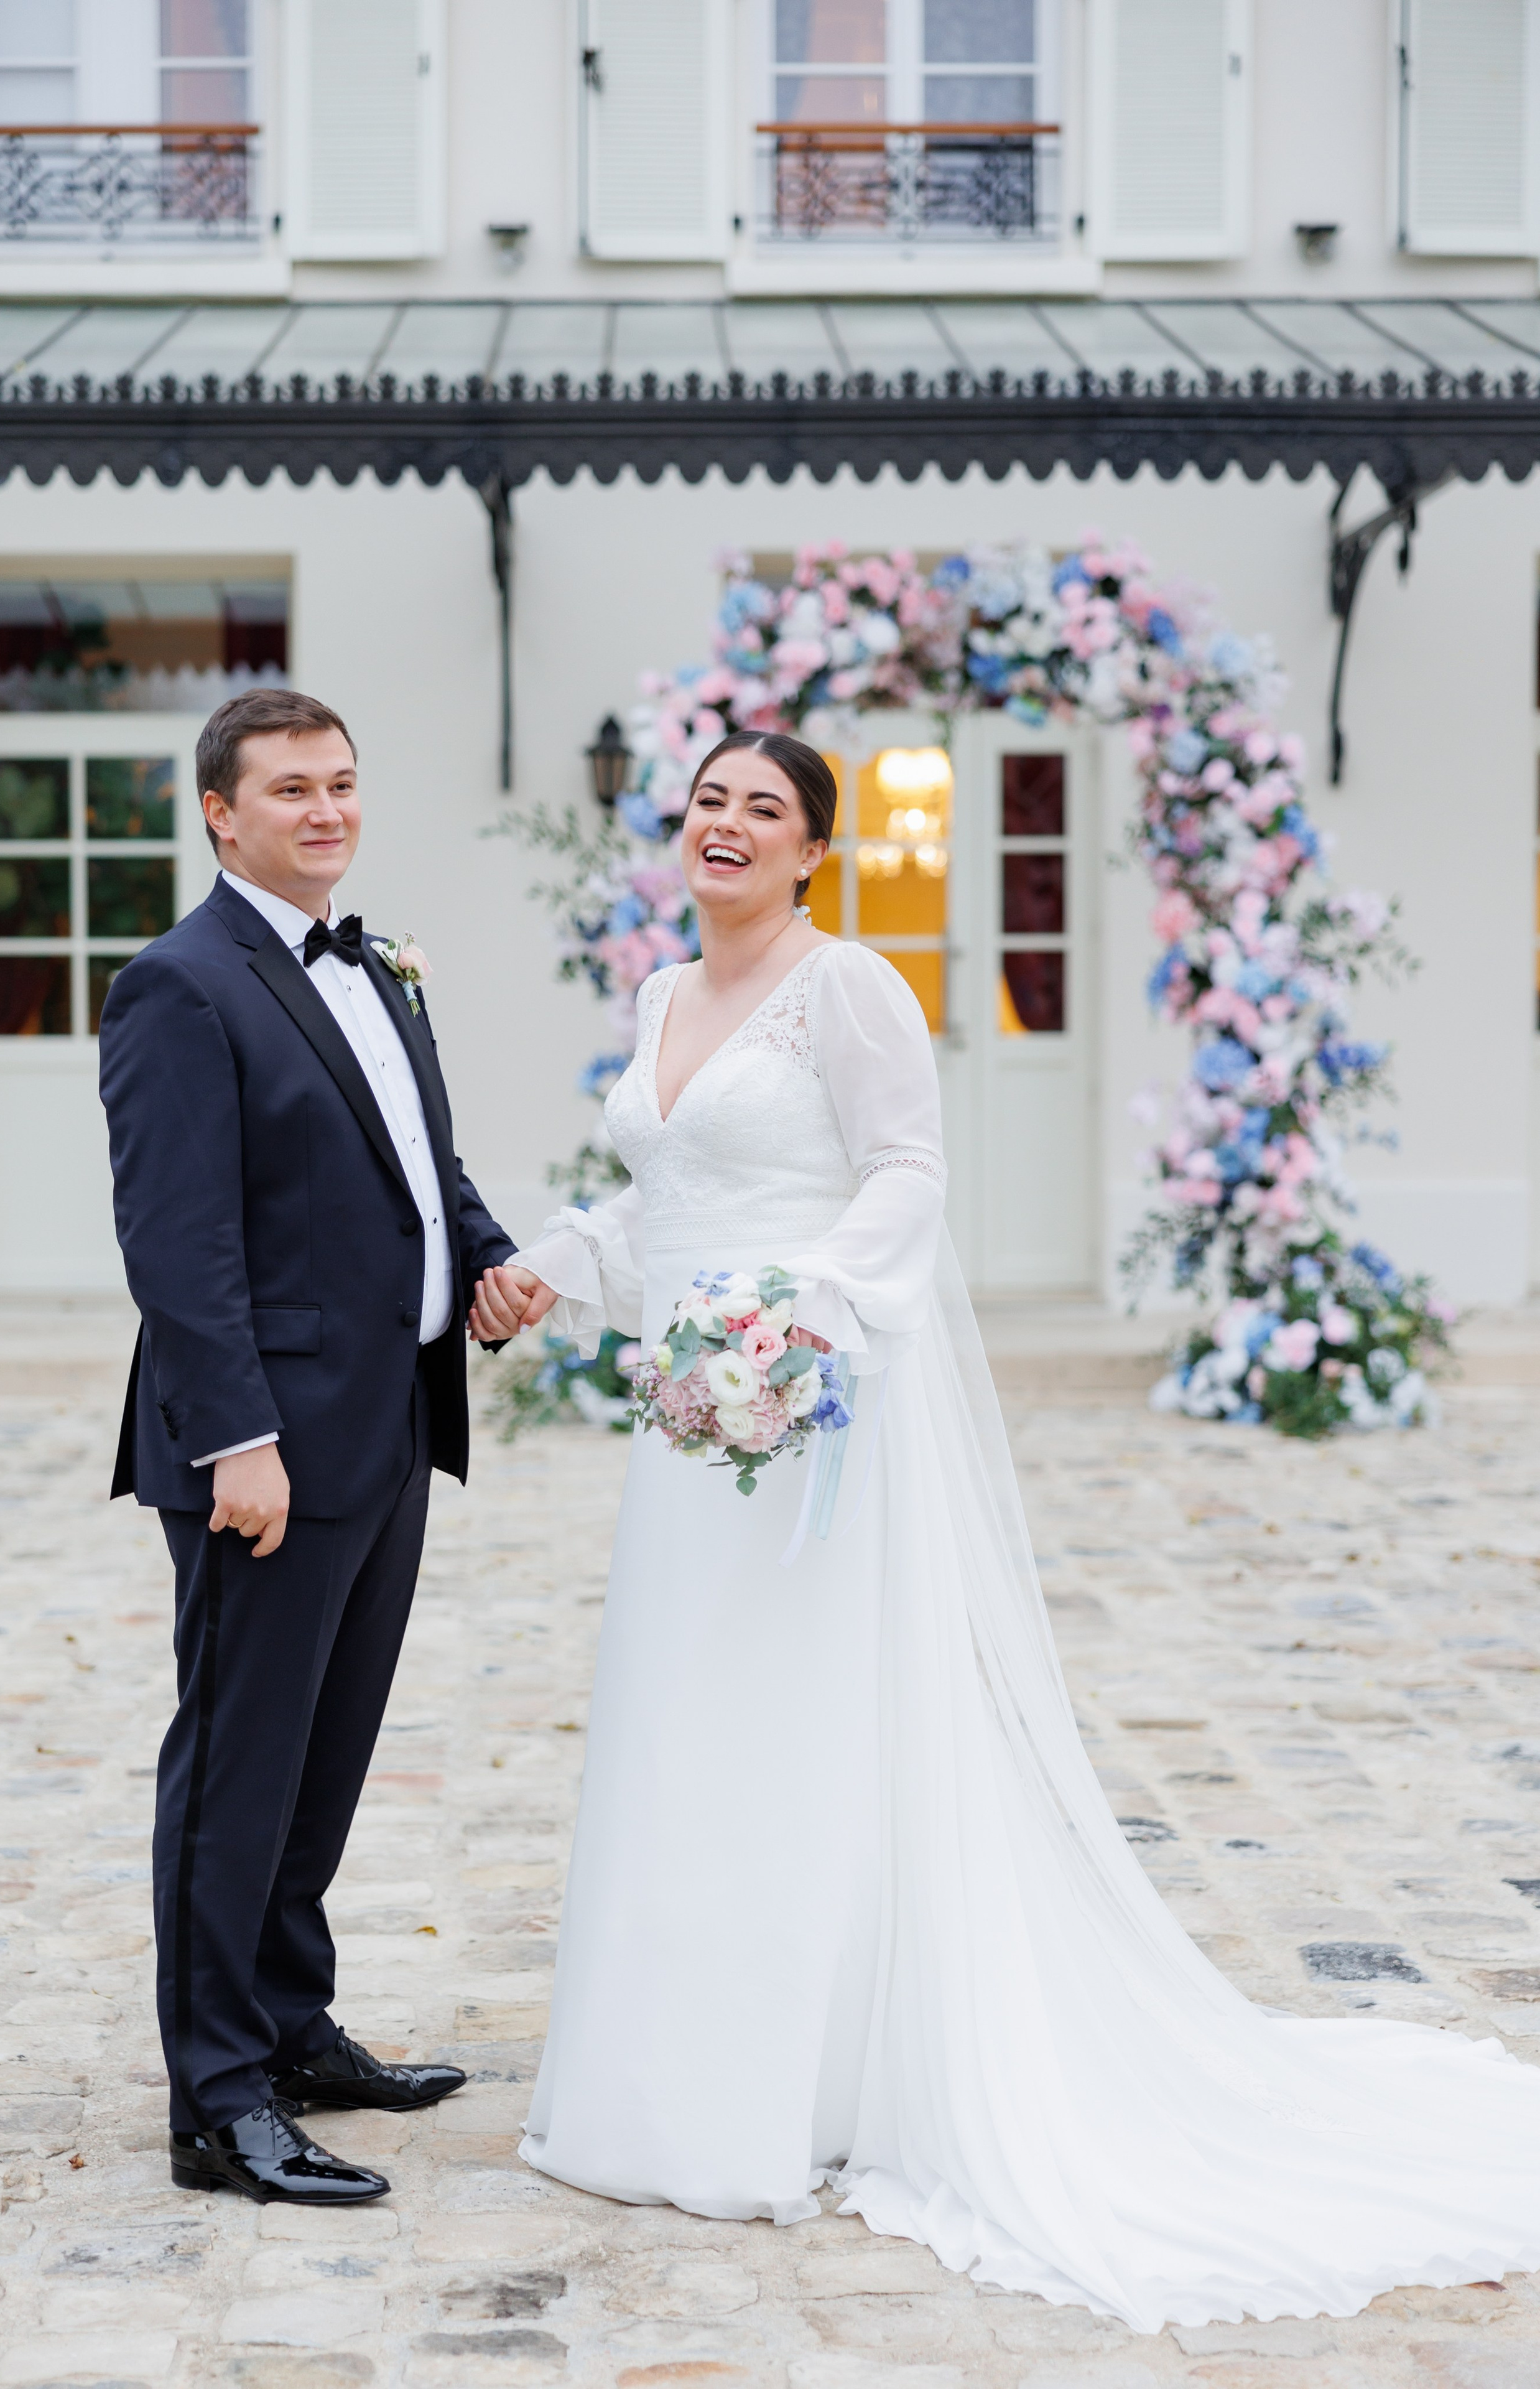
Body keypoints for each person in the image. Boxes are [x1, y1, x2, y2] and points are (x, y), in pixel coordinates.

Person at [475, 728, 1540, 2332]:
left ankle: (814, 2086)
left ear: (811, 853)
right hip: (690, 1432)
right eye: (707, 801)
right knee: (683, 1731)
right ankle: (670, 2075)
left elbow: (904, 1175)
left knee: (799, 1735)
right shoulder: (660, 998)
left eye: (764, 809)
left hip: (802, 1414)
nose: (727, 824)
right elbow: (672, 1202)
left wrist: (800, 1313)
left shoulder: (848, 991)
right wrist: (556, 1259)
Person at [100, 689, 526, 2206]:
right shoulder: (178, 986)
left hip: (391, 1424)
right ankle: (217, 2104)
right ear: (220, 812)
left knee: (323, 1761)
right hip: (264, 1456)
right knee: (235, 1768)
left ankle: (288, 2024)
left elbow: (420, 1161)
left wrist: (486, 1256)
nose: (326, 810)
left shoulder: (377, 964)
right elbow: (177, 1244)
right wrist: (237, 1440)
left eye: (341, 783)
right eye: (292, 790)